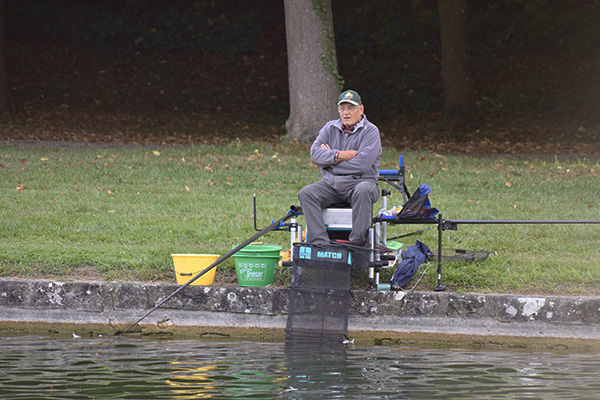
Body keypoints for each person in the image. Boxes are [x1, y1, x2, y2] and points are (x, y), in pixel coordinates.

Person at [299, 90, 382, 246]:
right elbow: (314, 154)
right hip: (331, 185)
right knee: (307, 193)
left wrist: (331, 163)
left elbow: (362, 164)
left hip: (361, 182)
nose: (346, 113)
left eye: (350, 108)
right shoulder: (329, 127)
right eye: (342, 108)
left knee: (363, 190)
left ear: (361, 109)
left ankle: (356, 245)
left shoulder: (371, 131)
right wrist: (340, 156)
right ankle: (320, 245)